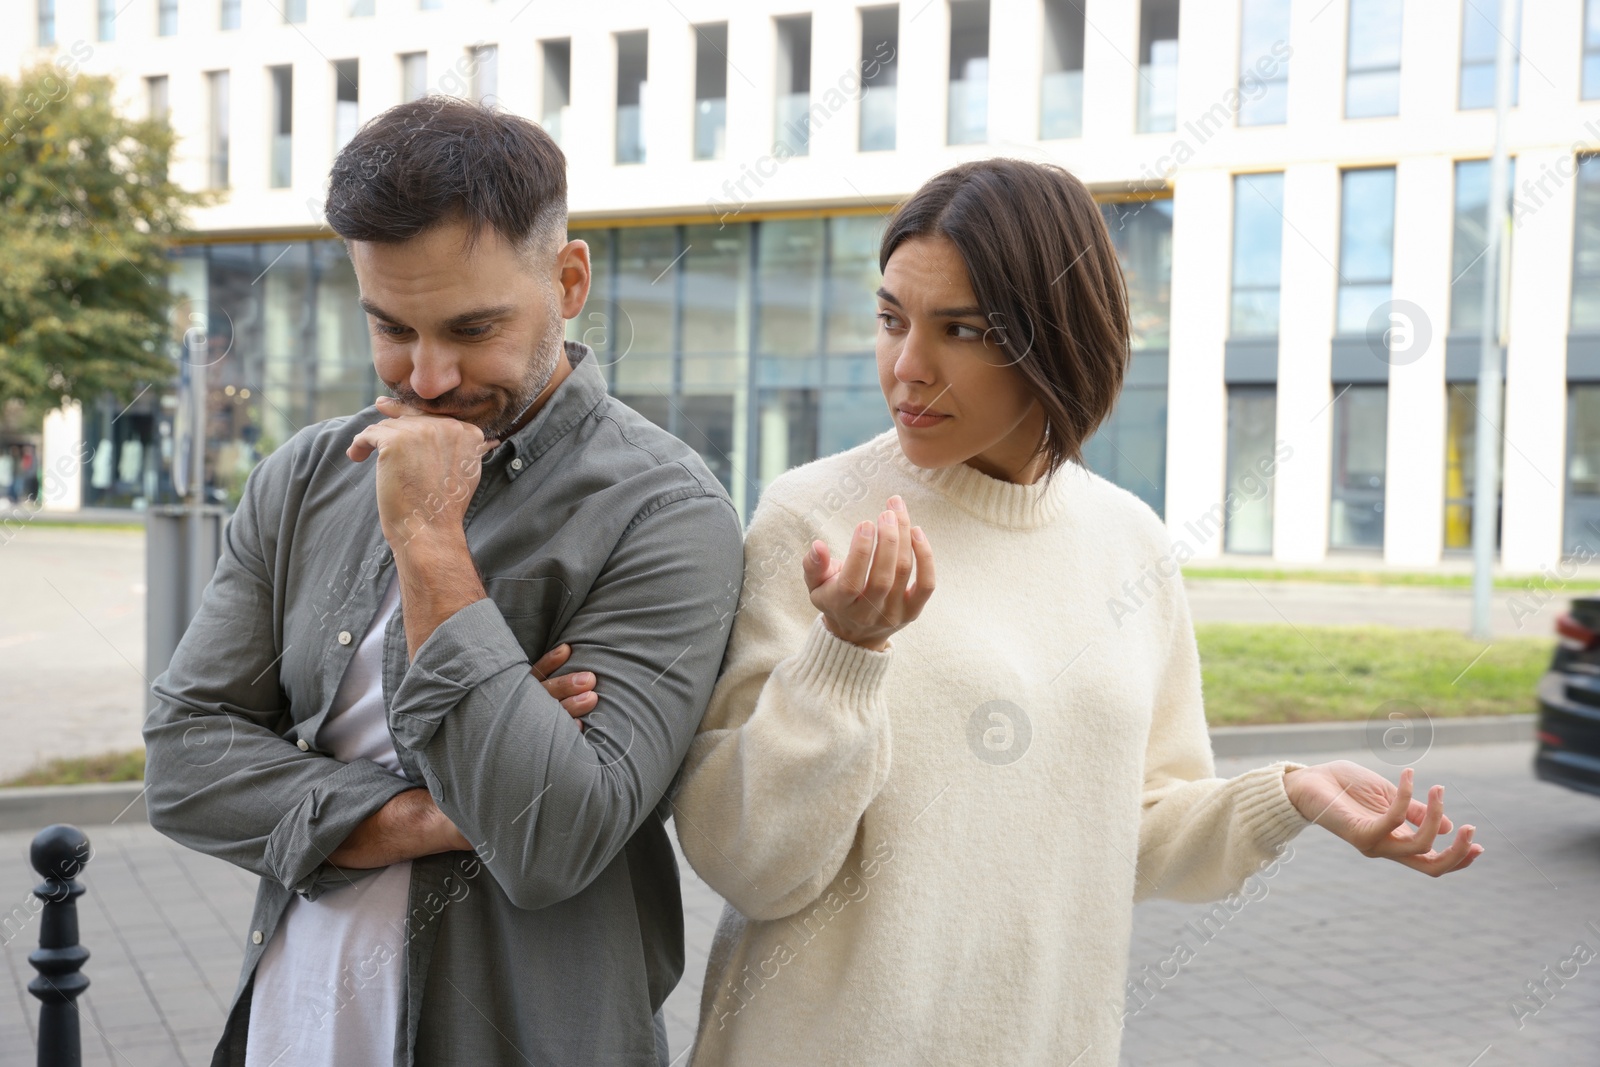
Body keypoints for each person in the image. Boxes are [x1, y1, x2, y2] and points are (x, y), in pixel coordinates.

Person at [550, 158, 1483, 1066]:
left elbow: (1134, 832)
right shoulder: (815, 514)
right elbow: (748, 859)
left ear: (1055, 334)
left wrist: (1286, 794)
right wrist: (846, 650)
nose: (907, 367)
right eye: (890, 318)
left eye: (959, 329)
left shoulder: (1131, 542)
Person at [142, 97, 744, 1066]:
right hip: (295, 1027)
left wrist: (429, 541)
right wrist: (418, 812)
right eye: (391, 327)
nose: (424, 377)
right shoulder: (303, 475)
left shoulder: (664, 510)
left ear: (569, 278)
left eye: (472, 328)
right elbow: (181, 760)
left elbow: (550, 839)